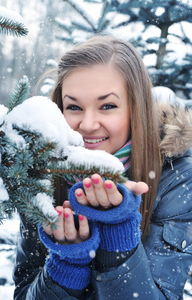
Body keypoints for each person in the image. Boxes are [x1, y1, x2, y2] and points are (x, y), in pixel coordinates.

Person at [13, 35, 192, 300]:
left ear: (136, 109)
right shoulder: (42, 172)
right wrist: (67, 264)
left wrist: (117, 233)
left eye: (107, 106)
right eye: (73, 106)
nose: (87, 124)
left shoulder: (175, 177)